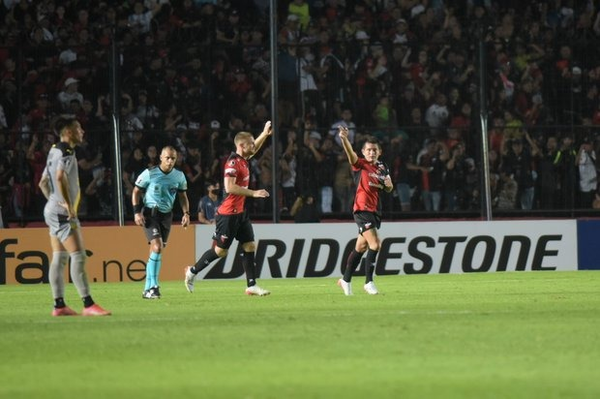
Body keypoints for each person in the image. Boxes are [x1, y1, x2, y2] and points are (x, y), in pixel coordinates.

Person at [185, 121, 273, 296]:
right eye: (250, 143)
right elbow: (229, 187)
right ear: (241, 145)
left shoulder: (243, 159)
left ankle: (251, 285)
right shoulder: (233, 163)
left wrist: (264, 133)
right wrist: (254, 193)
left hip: (241, 213)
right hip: (228, 214)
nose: (254, 145)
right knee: (220, 251)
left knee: (249, 245)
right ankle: (192, 272)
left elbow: (254, 149)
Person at [38, 117, 111, 316]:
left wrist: (53, 200)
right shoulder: (67, 152)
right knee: (78, 256)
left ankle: (59, 305)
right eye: (78, 128)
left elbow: (43, 182)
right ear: (69, 132)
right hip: (62, 213)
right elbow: (60, 177)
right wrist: (68, 206)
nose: (82, 132)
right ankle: (88, 305)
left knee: (59, 258)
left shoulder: (53, 150)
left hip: (52, 209)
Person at [337, 126, 393, 296]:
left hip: (375, 211)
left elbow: (388, 188)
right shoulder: (360, 165)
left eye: (374, 150)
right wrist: (344, 139)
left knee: (360, 247)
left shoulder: (383, 167)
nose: (371, 153)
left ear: (379, 152)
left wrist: (389, 187)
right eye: (368, 150)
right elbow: (350, 154)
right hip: (362, 209)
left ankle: (345, 280)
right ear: (363, 151)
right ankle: (369, 282)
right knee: (376, 244)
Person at [132, 146, 191, 299]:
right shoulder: (150, 173)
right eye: (167, 158)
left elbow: (182, 196)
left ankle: (147, 290)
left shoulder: (179, 176)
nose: (170, 161)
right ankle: (154, 286)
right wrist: (137, 212)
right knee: (157, 247)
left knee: (156, 250)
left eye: (173, 158)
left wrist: (186, 213)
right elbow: (136, 191)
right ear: (161, 157)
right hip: (150, 215)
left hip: (166, 217)